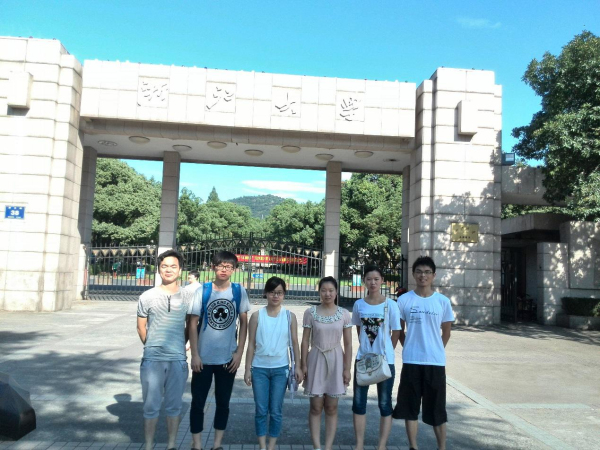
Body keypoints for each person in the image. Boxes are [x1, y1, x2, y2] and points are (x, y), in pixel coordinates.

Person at [188, 251, 250, 450]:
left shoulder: (238, 291)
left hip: (227, 359)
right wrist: (195, 354)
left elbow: (244, 322)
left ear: (234, 269)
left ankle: (217, 445)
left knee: (223, 403)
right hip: (203, 359)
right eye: (221, 265)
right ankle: (197, 445)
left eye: (228, 266)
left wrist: (239, 353)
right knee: (198, 402)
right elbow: (192, 323)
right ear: (213, 267)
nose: (224, 269)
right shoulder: (202, 291)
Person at [392, 256, 455, 450]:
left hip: (435, 363)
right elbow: (399, 330)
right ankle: (413, 446)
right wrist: (408, 346)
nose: (423, 276)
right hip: (411, 361)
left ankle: (441, 447)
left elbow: (446, 332)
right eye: (419, 272)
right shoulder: (404, 300)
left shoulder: (442, 302)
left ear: (434, 275)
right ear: (413, 274)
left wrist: (435, 349)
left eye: (427, 272)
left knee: (437, 409)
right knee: (410, 408)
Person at [136, 249, 194, 450]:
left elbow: (190, 325)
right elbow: (141, 327)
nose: (169, 270)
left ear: (180, 270)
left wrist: (180, 345)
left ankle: (171, 445)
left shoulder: (188, 296)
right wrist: (152, 344)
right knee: (150, 406)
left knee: (174, 406)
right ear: (159, 269)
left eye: (173, 266)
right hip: (152, 360)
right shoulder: (147, 296)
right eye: (164, 266)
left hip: (177, 359)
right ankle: (148, 446)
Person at [244, 277, 302, 450]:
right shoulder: (256, 316)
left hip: (280, 369)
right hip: (259, 369)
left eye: (279, 293)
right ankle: (262, 446)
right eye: (272, 292)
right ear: (266, 293)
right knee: (261, 410)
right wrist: (247, 369)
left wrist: (298, 366)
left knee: (276, 411)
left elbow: (295, 343)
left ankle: (271, 446)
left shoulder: (289, 316)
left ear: (284, 294)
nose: (275, 296)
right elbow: (251, 344)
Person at [352, 265, 401, 450]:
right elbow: (358, 328)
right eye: (369, 279)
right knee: (358, 403)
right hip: (363, 359)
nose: (372, 282)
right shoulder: (359, 304)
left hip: (385, 361)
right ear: (364, 281)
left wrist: (389, 350)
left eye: (376, 279)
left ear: (382, 281)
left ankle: (381, 445)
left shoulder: (391, 305)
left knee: (385, 403)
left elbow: (396, 331)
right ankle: (359, 444)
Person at [301, 276, 353, 450]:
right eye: (324, 290)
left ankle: (328, 446)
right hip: (316, 358)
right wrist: (303, 364)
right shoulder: (311, 312)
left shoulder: (344, 314)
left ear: (336, 292)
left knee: (331, 407)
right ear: (319, 292)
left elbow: (348, 344)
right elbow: (304, 341)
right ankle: (317, 446)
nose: (327, 294)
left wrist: (347, 368)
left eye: (331, 290)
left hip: (336, 360)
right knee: (316, 407)